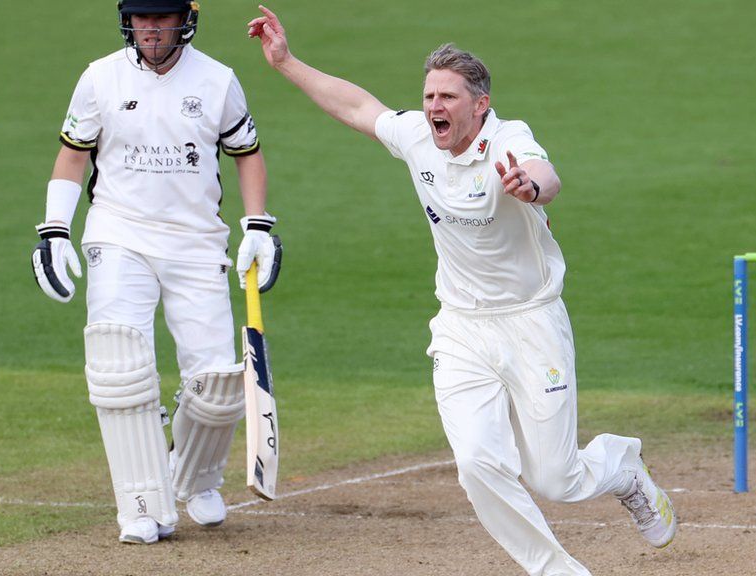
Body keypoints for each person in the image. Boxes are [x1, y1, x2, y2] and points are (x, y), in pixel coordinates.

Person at [246, 6, 676, 575]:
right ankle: (557, 571)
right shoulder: (419, 139)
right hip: (461, 326)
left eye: (447, 98)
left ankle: (621, 466)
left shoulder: (507, 139)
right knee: (476, 461)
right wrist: (285, 62)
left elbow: (545, 174)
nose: (433, 108)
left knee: (555, 478)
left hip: (532, 320)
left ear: (480, 105)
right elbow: (357, 105)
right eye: (428, 97)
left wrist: (529, 185)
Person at [30, 0, 281, 544]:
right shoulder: (100, 77)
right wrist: (54, 229)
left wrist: (257, 225)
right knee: (120, 361)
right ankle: (140, 504)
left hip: (196, 241)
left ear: (184, 20)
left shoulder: (218, 81)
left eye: (159, 17)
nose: (148, 28)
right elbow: (73, 155)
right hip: (119, 233)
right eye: (139, 17)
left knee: (217, 382)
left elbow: (247, 152)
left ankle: (195, 478)